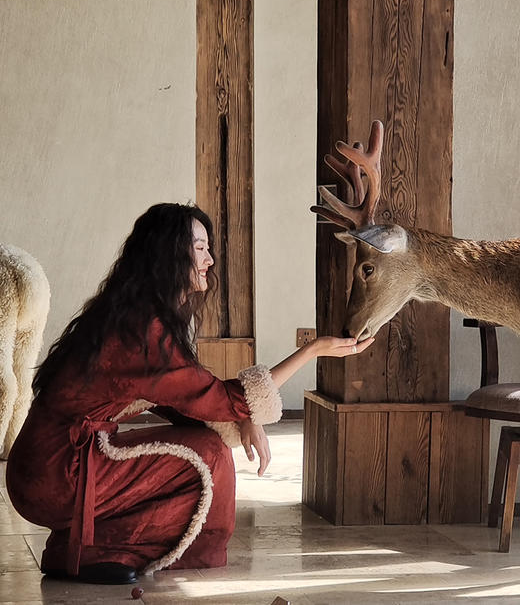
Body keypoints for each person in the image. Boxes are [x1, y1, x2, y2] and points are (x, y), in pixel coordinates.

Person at [6, 203, 372, 585]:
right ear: (168, 253)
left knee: (204, 442)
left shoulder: (135, 318)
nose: (210, 260)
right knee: (208, 455)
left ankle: (86, 549)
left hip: (50, 466)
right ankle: (91, 552)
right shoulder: (143, 331)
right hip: (56, 473)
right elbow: (221, 398)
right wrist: (310, 351)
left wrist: (243, 416)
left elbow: (189, 400)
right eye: (200, 248)